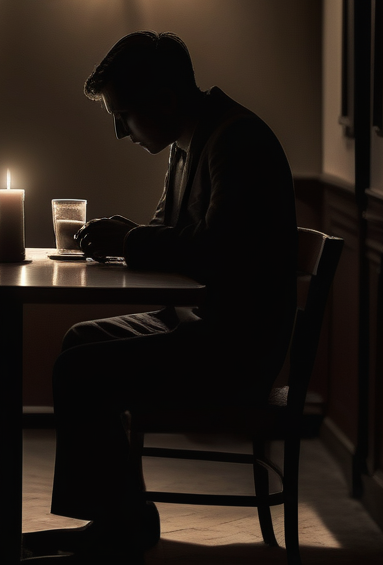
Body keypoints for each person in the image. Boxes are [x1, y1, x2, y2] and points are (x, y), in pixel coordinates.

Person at [25, 31, 297, 563]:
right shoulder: (189, 143)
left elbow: (216, 251)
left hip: (235, 348)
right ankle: (121, 515)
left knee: (79, 371)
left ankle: (118, 524)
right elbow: (170, 235)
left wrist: (130, 240)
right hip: (199, 323)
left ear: (166, 100)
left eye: (122, 114)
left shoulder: (236, 141)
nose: (118, 131)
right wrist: (127, 238)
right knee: (81, 340)